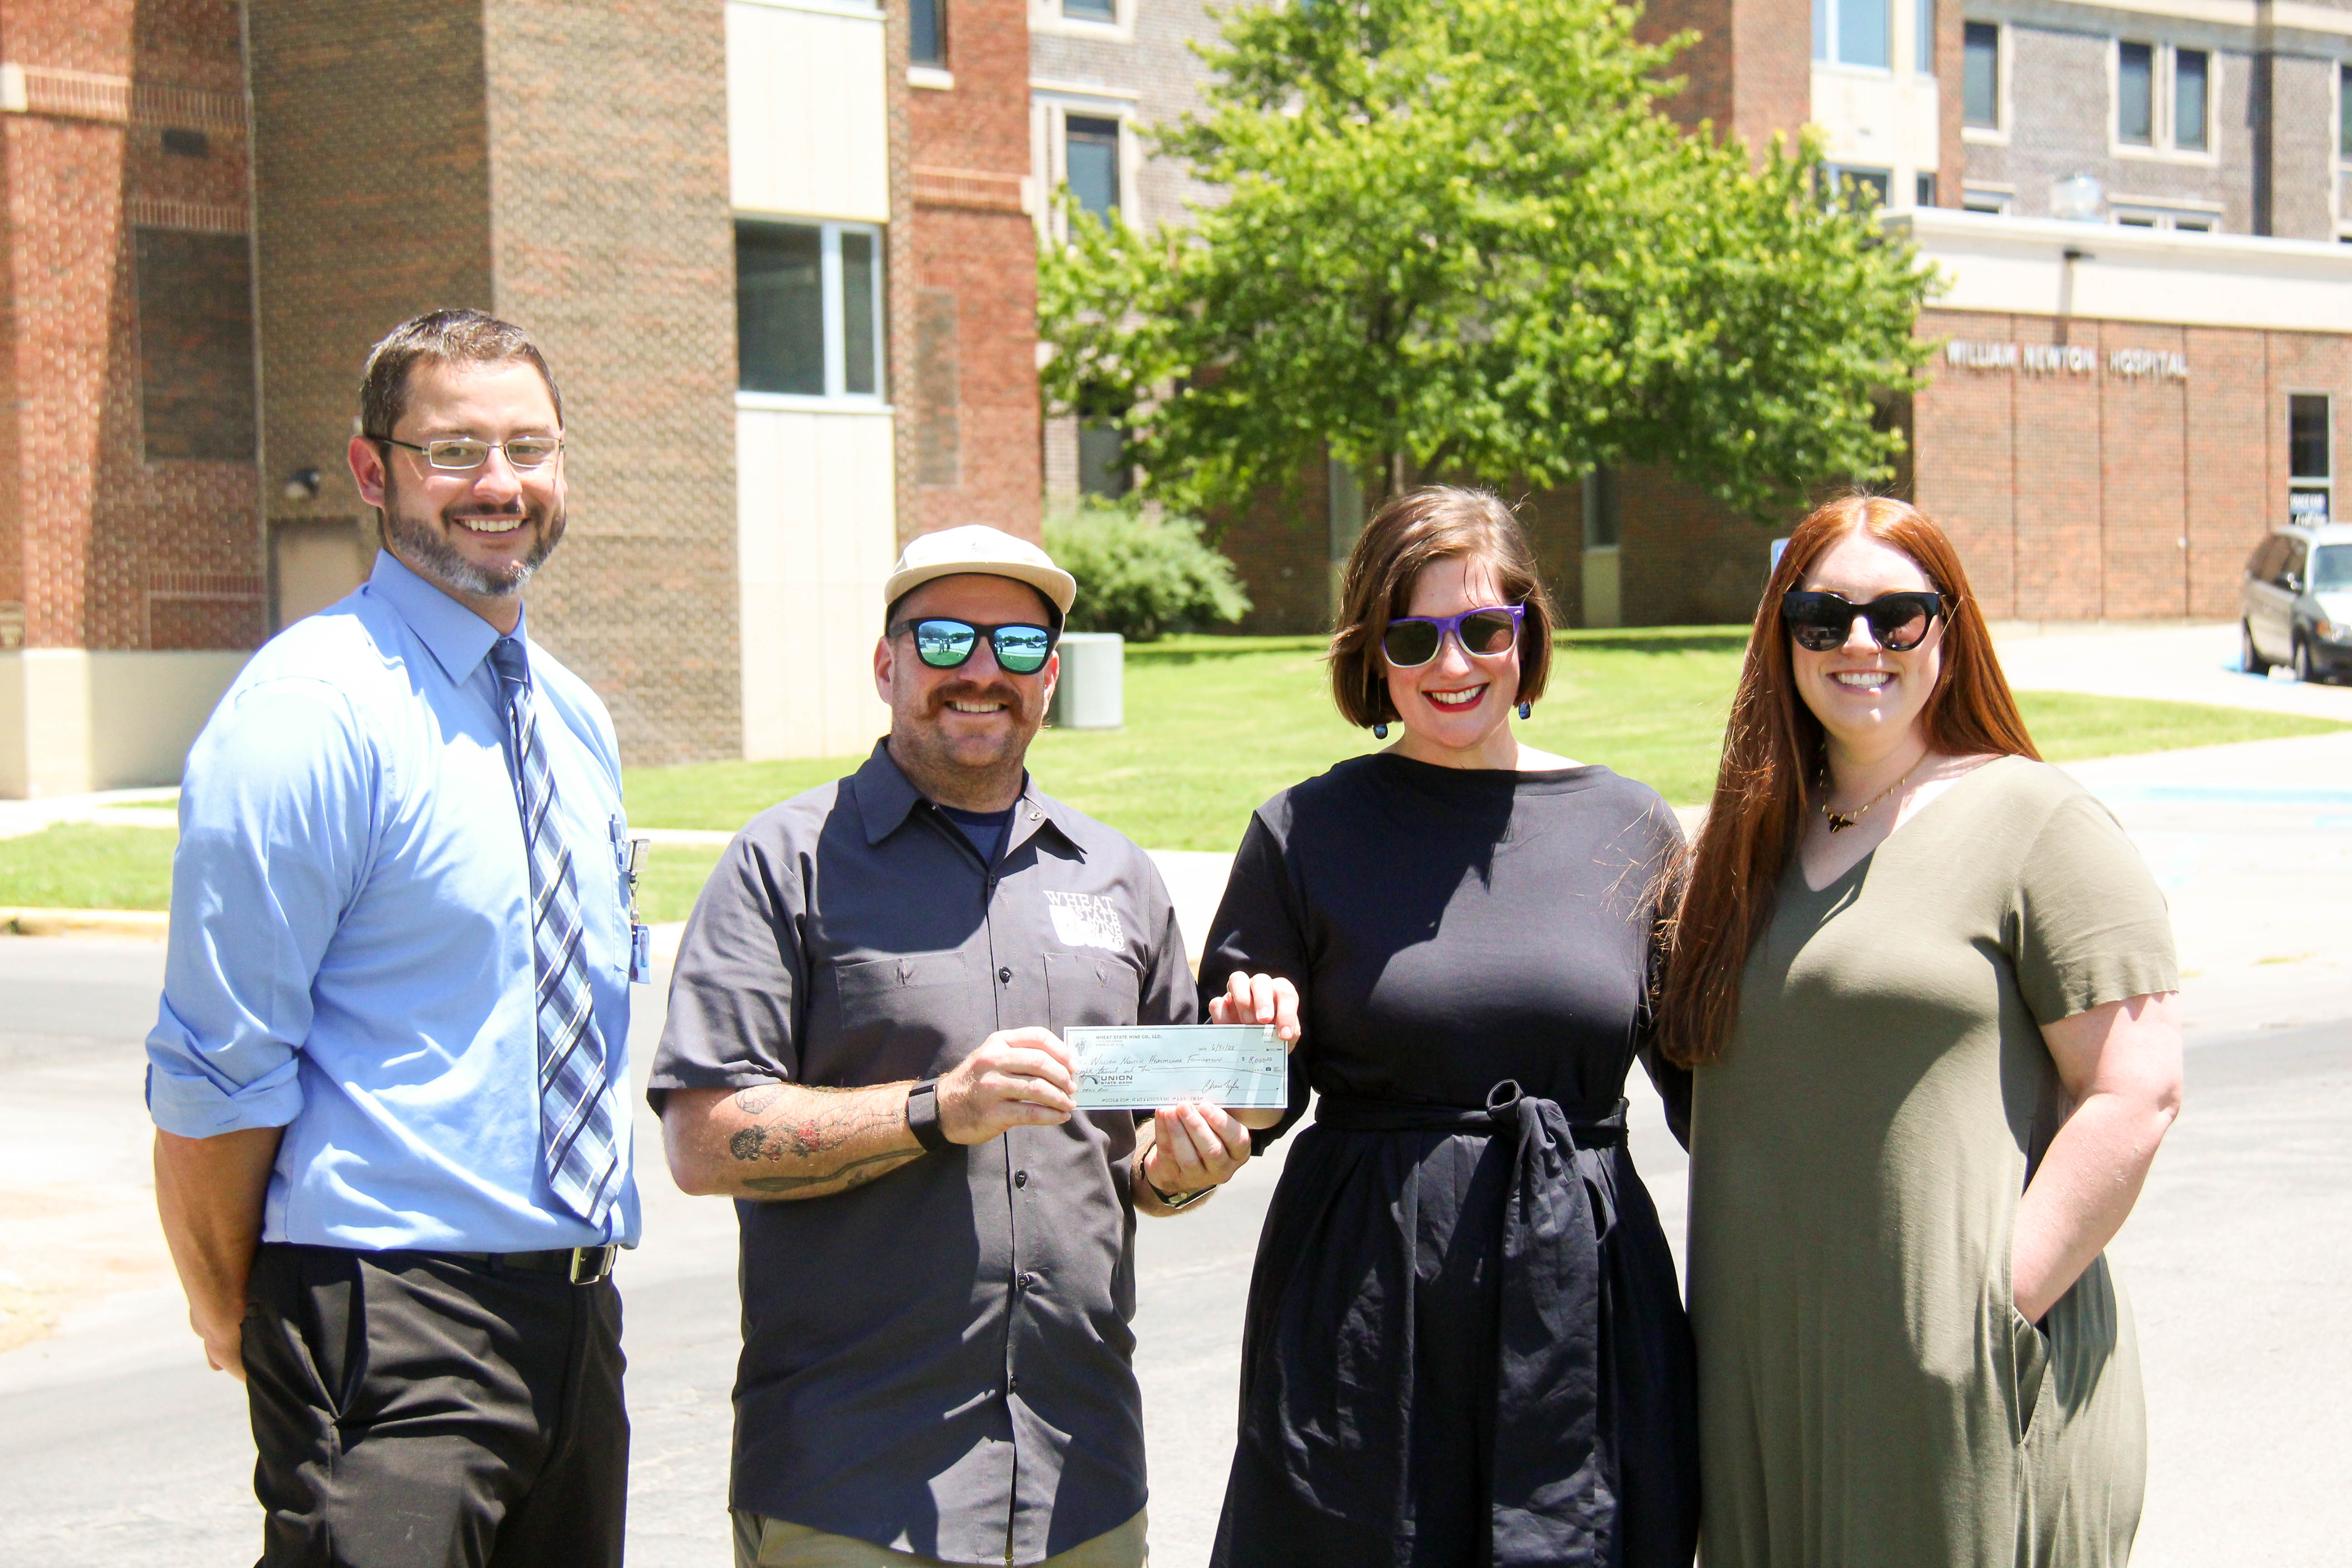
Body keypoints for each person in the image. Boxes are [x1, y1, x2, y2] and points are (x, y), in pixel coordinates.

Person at [647, 524, 1288, 1568]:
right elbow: (705, 1140)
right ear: (887, 665)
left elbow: (1146, 1168)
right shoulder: (786, 863)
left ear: (1051, 679)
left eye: (1021, 646)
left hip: (1081, 1482)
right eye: (946, 640)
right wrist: (937, 1109)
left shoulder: (1117, 878)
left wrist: (1187, 1171)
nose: (983, 671)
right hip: (855, 1487)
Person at [145, 309, 645, 1566]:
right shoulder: (310, 715)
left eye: (528, 448)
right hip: (387, 1316)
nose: (500, 485)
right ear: (374, 473)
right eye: (455, 450)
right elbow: (217, 1068)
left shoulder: (573, 718)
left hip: (575, 1315)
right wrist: (230, 1304)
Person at [1660, 495, 2184, 1567]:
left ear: (1951, 626)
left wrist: (1987, 1318)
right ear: (1782, 635)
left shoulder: (2039, 821)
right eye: (1822, 617)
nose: (1860, 644)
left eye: (1898, 616)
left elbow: (2136, 1092)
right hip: (1762, 1393)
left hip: (1959, 1390)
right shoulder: (1740, 846)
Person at [1200, 486, 1700, 1568]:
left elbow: (1713, 1091)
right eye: (1414, 635)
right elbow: (1240, 1109)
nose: (1451, 664)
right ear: (1373, 656)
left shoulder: (1632, 825)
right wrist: (1250, 1044)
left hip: (1586, 1297)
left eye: (1482, 628)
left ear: (1527, 635)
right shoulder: (1303, 830)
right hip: (1364, 1304)